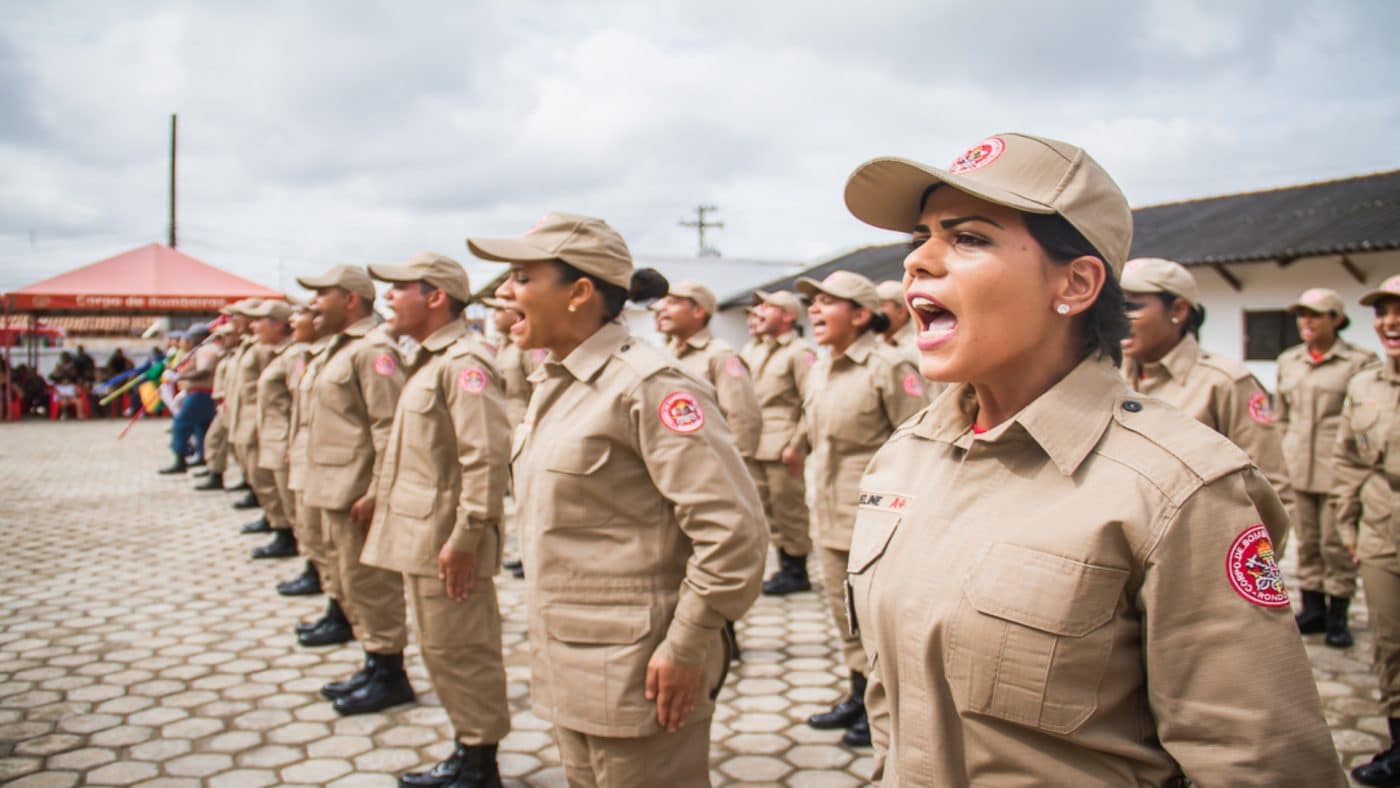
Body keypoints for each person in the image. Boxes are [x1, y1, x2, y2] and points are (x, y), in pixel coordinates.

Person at [840, 132, 1344, 785]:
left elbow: (1260, 764)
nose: (918, 262)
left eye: (968, 238)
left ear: (1076, 283)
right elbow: (895, 695)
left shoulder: (1180, 489)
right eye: (920, 238)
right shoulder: (905, 457)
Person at [467, 211, 767, 787]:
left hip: (641, 670)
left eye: (523, 278)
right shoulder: (559, 383)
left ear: (579, 292)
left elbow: (734, 534)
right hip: (575, 661)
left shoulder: (649, 386)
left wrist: (687, 644)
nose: (504, 293)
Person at [361, 253, 512, 787]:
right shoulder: (429, 359)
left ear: (435, 296)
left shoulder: (465, 362)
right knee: (442, 649)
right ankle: (468, 750)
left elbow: (485, 457)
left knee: (463, 650)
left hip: (450, 539)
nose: (387, 297)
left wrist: (466, 538)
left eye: (398, 287)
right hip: (427, 534)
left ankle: (479, 765)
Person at [787, 270, 925, 748]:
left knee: (877, 621)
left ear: (862, 315)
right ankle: (859, 696)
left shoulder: (891, 366)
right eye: (813, 302)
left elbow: (919, 444)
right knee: (844, 615)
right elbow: (813, 425)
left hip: (876, 522)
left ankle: (889, 712)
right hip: (827, 515)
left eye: (828, 301)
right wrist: (796, 445)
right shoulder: (821, 368)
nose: (814, 310)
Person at [296, 264, 411, 715]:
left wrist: (377, 491)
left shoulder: (374, 351)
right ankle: (373, 660)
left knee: (371, 584)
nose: (312, 304)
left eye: (321, 294)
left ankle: (391, 674)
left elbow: (389, 426)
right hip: (334, 487)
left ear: (350, 300)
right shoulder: (340, 349)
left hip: (358, 490)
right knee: (350, 581)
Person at [1120, 258, 1296, 551]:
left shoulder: (1225, 383)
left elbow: (1269, 490)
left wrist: (1250, 567)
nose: (1117, 317)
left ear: (1178, 310)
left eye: (1131, 306)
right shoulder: (1111, 376)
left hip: (1196, 555)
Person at [654, 279, 764, 657]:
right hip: (676, 476)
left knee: (715, 559)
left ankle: (721, 639)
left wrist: (736, 476)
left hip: (712, 477)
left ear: (699, 310)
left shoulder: (720, 356)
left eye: (674, 302)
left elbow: (744, 417)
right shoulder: (666, 353)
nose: (662, 308)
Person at [1277, 287, 1375, 648]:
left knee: (1335, 545)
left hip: (1337, 468)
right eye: (1302, 314)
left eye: (1315, 315)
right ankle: (1313, 609)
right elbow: (1281, 415)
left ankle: (1338, 616)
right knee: (1307, 543)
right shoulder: (1289, 360)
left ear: (1336, 319)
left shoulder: (1359, 363)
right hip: (1298, 465)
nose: (1306, 321)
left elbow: (1365, 418)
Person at [1333, 274, 1400, 787]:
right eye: (1382, 312)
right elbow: (1349, 459)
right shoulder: (1364, 385)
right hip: (1383, 528)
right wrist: (1349, 524)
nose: (1390, 322)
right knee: (1390, 643)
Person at [744, 290, 818, 597]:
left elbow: (812, 401)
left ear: (788, 316)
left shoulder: (800, 352)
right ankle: (784, 566)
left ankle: (798, 571)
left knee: (789, 510)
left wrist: (799, 445)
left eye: (768, 307)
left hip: (783, 445)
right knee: (768, 511)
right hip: (756, 444)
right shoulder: (755, 349)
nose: (759, 312)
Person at [480, 293, 544, 580]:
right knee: (519, 502)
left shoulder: (530, 347)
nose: (495, 316)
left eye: (500, 310)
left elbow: (540, 391)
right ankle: (527, 555)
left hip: (525, 433)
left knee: (531, 502)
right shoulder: (505, 346)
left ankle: (536, 558)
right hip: (507, 435)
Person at [275, 304, 326, 597]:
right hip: (307, 452)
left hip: (331, 465)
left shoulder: (367, 353)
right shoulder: (313, 355)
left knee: (323, 534)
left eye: (302, 313)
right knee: (308, 525)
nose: (293, 319)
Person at [247, 301, 302, 561]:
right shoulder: (278, 354)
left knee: (293, 506)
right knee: (276, 494)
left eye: (260, 320)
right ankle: (284, 534)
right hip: (272, 434)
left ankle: (300, 550)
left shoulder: (294, 356)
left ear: (279, 324)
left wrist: (293, 442)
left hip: (284, 438)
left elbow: (300, 402)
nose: (253, 326)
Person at [158, 324, 219, 474]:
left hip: (201, 393)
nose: (190, 340)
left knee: (181, 423)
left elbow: (204, 371)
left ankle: (180, 459)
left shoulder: (206, 350)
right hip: (200, 393)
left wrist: (179, 377)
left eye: (193, 337)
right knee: (201, 428)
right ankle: (203, 456)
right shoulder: (202, 350)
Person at [194, 323, 236, 491]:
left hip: (232, 404)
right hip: (224, 404)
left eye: (225, 336)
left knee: (217, 439)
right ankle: (214, 472)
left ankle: (217, 474)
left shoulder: (234, 355)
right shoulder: (226, 355)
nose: (221, 340)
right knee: (215, 439)